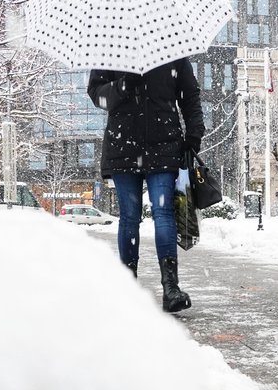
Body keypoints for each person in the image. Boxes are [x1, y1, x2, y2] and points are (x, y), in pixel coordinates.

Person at [87, 58, 205, 313]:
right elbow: (97, 95)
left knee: (162, 213)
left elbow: (189, 96)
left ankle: (169, 286)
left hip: (162, 145)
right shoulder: (112, 49)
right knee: (131, 216)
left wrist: (194, 135)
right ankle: (132, 286)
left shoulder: (171, 49)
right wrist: (125, 84)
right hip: (124, 147)